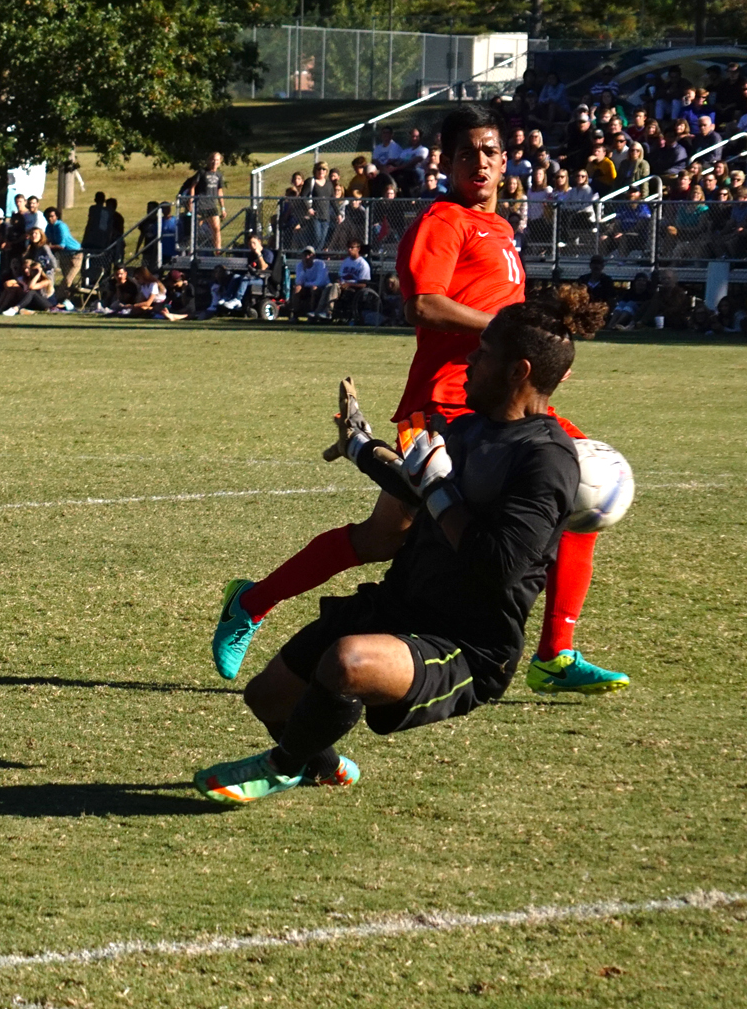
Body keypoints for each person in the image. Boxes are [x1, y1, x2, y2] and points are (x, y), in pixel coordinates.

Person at [212, 102, 629, 697]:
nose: (479, 163)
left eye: (489, 152)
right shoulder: (442, 220)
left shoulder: (503, 228)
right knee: (387, 538)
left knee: (580, 486)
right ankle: (251, 603)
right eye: (467, 154)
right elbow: (424, 305)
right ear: (449, 163)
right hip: (444, 403)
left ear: (505, 160)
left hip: (503, 403)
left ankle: (555, 654)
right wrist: (501, 333)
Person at [195, 288, 607, 803]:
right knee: (268, 697)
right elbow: (417, 490)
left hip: (465, 643)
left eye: (483, 353)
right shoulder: (470, 428)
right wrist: (361, 448)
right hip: (400, 604)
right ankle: (318, 764)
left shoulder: (546, 460)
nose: (470, 361)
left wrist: (438, 487)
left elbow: (496, 565)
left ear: (517, 371)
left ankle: (279, 768)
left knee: (348, 663)